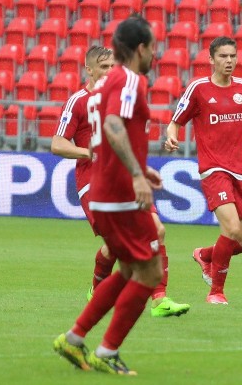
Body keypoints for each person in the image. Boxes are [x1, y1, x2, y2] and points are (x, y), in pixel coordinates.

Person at [52, 17, 164, 376]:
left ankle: (74, 338)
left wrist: (140, 167)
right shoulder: (130, 79)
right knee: (150, 271)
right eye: (153, 46)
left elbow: (110, 133)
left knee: (131, 267)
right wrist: (135, 173)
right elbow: (114, 125)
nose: (155, 54)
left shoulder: (103, 87)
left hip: (105, 188)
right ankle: (108, 350)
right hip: (120, 193)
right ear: (141, 48)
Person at [52, 46, 190, 317]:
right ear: (89, 70)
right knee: (118, 244)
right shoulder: (78, 101)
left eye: (112, 67)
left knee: (157, 230)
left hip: (125, 176)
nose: (109, 73)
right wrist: (87, 152)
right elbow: (57, 144)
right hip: (94, 181)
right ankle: (98, 290)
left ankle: (159, 299)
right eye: (103, 67)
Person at [165, 37, 242, 305]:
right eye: (223, 56)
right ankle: (216, 292)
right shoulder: (198, 89)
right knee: (232, 227)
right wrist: (171, 137)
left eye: (232, 56)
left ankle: (205, 255)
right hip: (214, 169)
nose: (229, 61)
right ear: (211, 59)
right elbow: (175, 122)